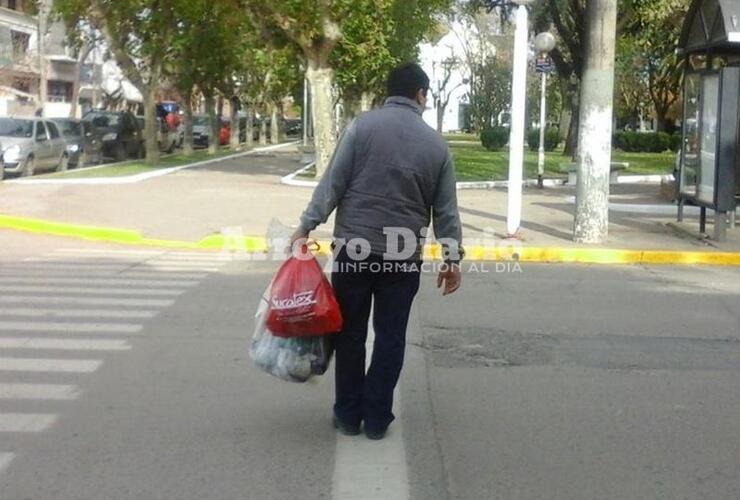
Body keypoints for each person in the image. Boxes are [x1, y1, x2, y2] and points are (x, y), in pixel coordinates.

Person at [291, 62, 463, 440]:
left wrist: (306, 226)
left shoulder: (361, 127)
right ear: (420, 94)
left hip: (354, 251)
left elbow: (333, 183)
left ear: (389, 92)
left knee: (349, 333)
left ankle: (349, 416)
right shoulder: (436, 145)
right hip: (402, 260)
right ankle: (377, 417)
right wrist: (451, 260)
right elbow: (446, 212)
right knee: (390, 337)